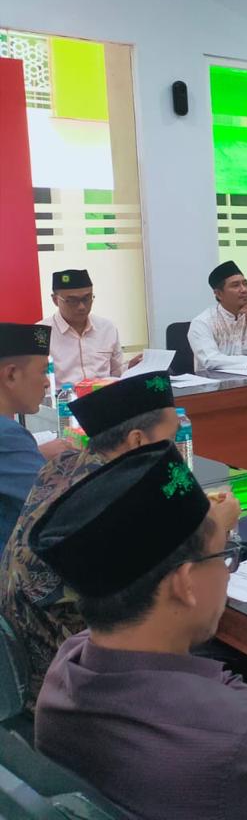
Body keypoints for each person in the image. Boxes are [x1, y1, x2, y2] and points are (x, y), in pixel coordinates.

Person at [31, 441, 247, 820]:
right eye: (224, 556)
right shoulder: (244, 739)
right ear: (184, 584)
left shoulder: (65, 670)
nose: (227, 573)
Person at [0, 371, 179, 706]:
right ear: (138, 441)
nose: (176, 453)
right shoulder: (109, 497)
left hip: (22, 663)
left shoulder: (64, 465)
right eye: (171, 440)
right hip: (66, 683)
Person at [0, 323, 69, 551]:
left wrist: (36, 454)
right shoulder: (8, 435)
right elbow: (59, 508)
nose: (47, 382)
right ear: (11, 374)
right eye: (42, 371)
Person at [41, 269, 133, 385]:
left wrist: (131, 367)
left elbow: (117, 373)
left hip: (103, 398)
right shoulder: (41, 334)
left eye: (87, 298)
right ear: (55, 300)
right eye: (72, 301)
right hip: (63, 401)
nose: (81, 307)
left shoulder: (107, 328)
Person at [188, 261, 247, 372]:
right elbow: (210, 359)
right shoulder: (203, 322)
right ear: (218, 294)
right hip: (216, 386)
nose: (244, 290)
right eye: (235, 285)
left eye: (245, 283)